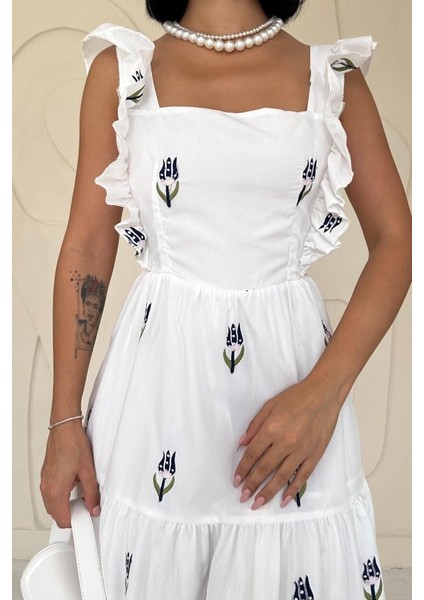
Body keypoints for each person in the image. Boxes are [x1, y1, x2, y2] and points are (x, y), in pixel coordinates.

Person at [39, 0, 412, 598]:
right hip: (155, 402)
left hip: (293, 392)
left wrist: (323, 396)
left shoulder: (333, 78)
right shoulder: (123, 72)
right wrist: (64, 420)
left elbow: (396, 241)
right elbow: (86, 245)